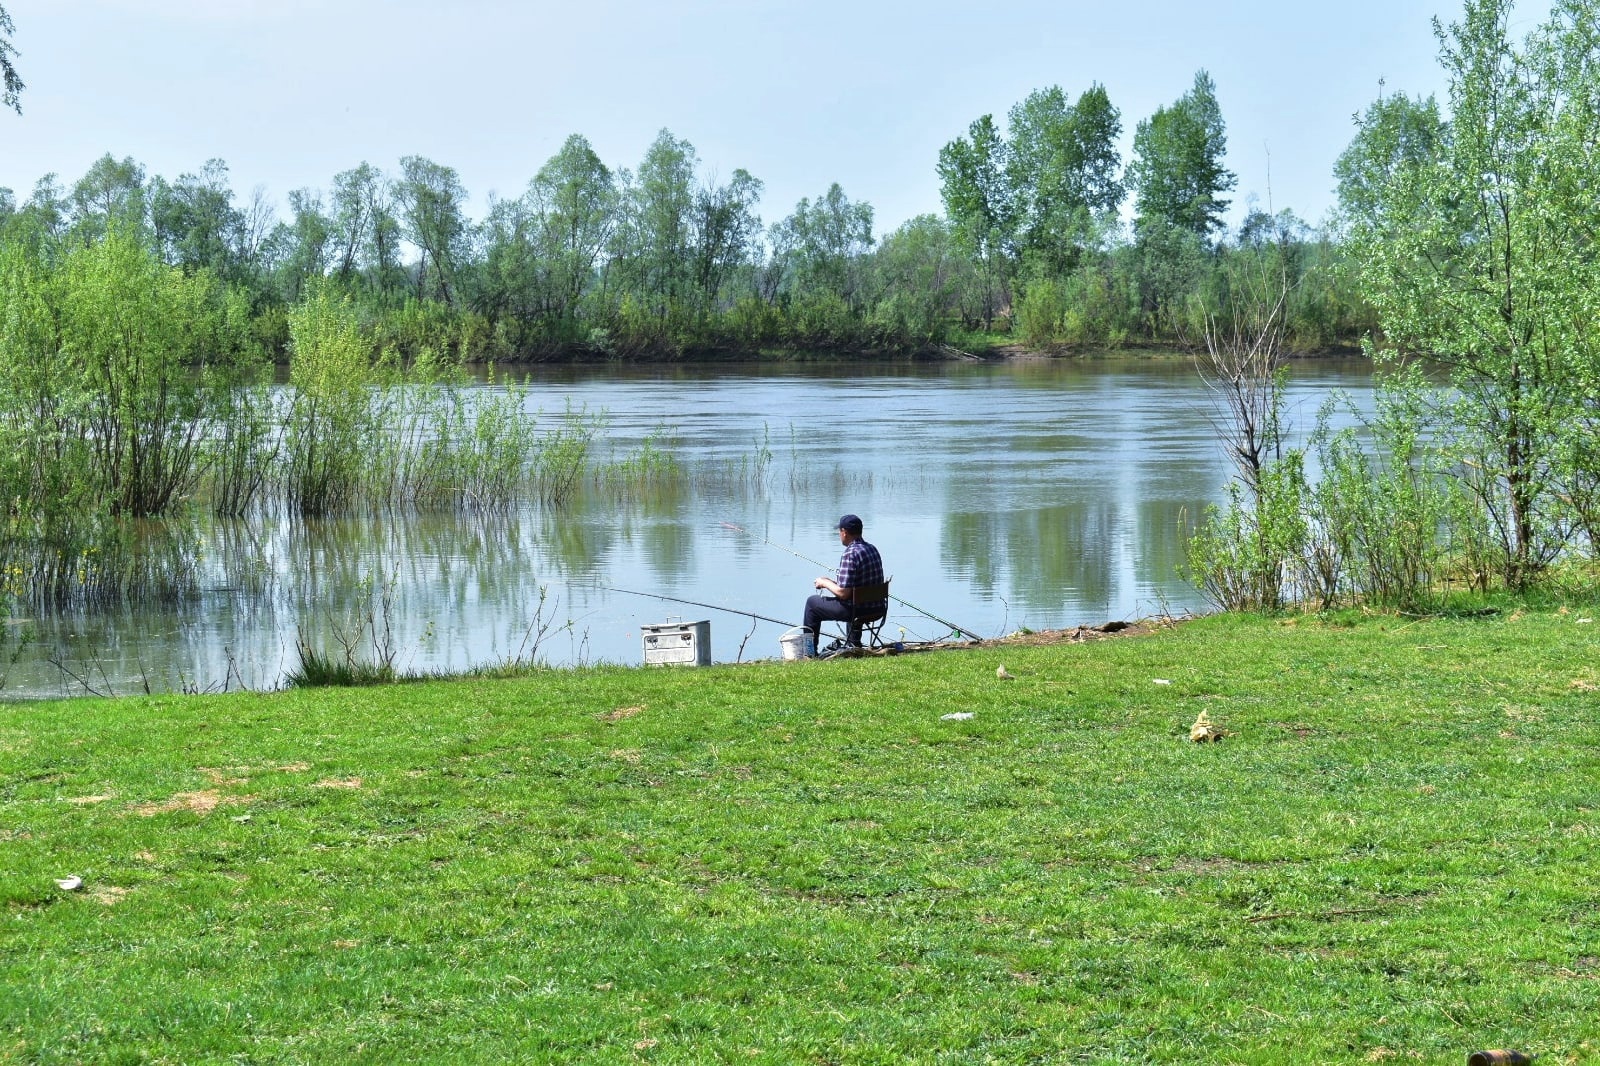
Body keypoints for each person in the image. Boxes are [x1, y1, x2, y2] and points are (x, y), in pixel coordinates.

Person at [803, 514, 886, 655]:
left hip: (857, 610)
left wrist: (824, 582)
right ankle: (854, 645)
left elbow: (843, 593)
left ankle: (809, 653)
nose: (839, 535)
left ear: (844, 532)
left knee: (812, 603)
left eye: (839, 531)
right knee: (854, 599)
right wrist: (832, 583)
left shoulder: (850, 553)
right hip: (877, 608)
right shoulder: (872, 549)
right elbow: (855, 585)